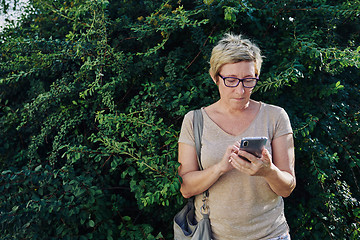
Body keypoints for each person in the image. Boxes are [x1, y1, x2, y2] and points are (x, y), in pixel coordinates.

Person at [177, 33, 296, 240]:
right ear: (215, 77)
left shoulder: (276, 117)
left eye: (249, 80)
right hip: (212, 235)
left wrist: (268, 171)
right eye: (231, 80)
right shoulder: (194, 121)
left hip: (271, 235)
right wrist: (219, 168)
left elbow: (287, 187)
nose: (240, 90)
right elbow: (186, 188)